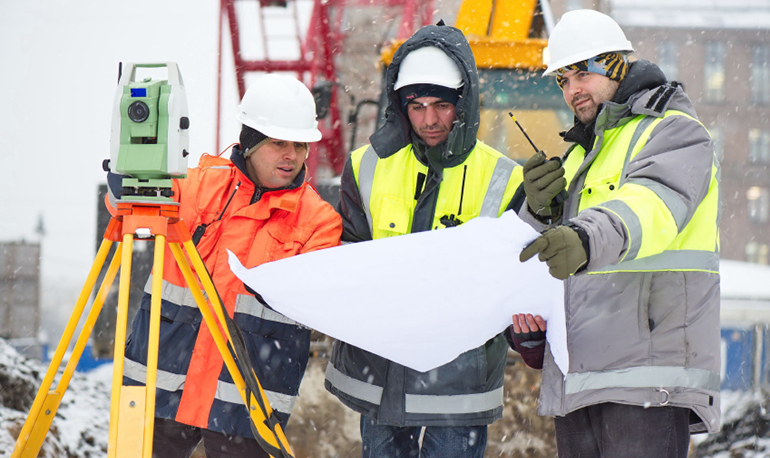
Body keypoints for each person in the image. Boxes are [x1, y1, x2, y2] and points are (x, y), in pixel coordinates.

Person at [517, 9, 721, 458]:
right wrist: (533, 211)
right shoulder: (575, 158)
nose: (572, 91)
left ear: (614, 64)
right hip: (579, 379)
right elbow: (535, 257)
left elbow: (649, 205)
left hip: (646, 376)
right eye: (562, 81)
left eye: (580, 75)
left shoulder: (675, 132)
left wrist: (584, 238)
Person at [107, 73, 342, 458]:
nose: (291, 155)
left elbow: (319, 303)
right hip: (163, 381)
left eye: (299, 145)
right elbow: (131, 210)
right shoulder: (197, 184)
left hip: (248, 401)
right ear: (250, 141)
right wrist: (125, 185)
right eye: (278, 143)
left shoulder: (319, 221)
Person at [323, 22, 525, 458]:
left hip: (459, 387)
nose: (430, 120)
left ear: (464, 103)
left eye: (441, 105)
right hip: (380, 376)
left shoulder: (506, 177)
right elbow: (347, 259)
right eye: (416, 106)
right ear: (400, 105)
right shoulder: (365, 166)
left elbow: (515, 281)